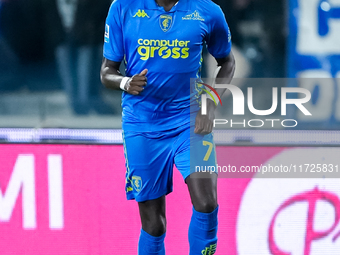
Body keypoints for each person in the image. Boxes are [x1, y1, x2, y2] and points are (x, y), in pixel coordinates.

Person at [100, 0, 235, 254]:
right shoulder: (123, 8)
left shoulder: (207, 10)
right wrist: (125, 82)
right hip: (142, 125)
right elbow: (107, 72)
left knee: (207, 203)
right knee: (154, 224)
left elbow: (227, 62)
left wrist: (211, 102)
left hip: (190, 121)